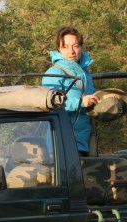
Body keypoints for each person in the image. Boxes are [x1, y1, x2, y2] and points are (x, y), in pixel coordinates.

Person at [42, 26, 98, 157]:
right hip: (63, 139)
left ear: (81, 48)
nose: (71, 51)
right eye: (65, 47)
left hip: (83, 140)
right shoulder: (54, 72)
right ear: (58, 49)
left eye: (76, 46)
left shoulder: (85, 73)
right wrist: (81, 102)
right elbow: (49, 102)